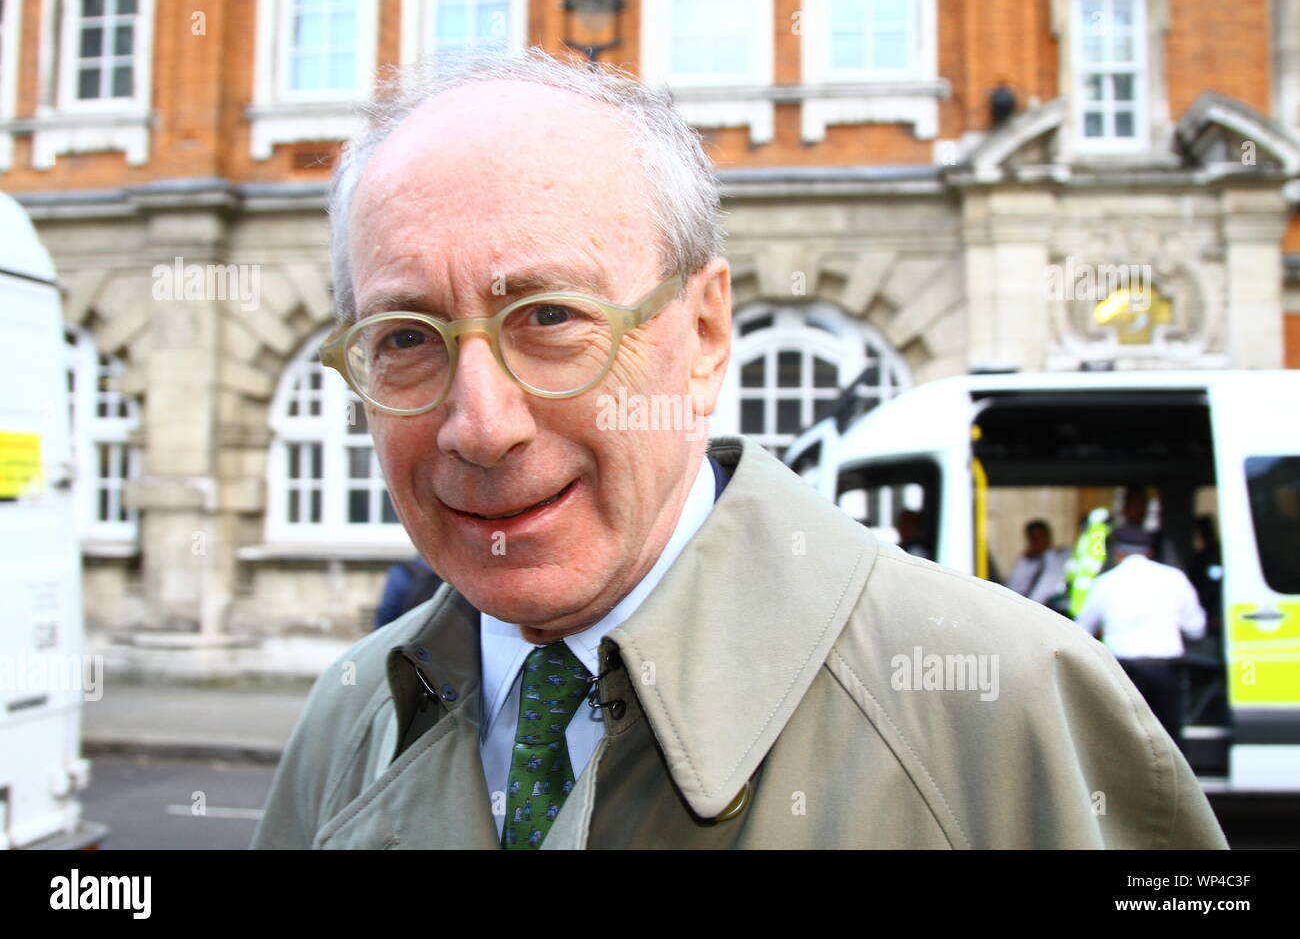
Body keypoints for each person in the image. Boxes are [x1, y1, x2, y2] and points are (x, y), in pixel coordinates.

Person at [250, 49, 1225, 849]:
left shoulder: (1010, 714)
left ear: (707, 332)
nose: (480, 423)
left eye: (550, 316)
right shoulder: (344, 721)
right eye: (407, 338)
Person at [1075, 525, 1207, 753]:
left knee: (1125, 739)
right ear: (1150, 552)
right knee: (1169, 739)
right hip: (1165, 670)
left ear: (1118, 553)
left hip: (1123, 672)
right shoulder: (1174, 579)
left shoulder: (1105, 583)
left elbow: (1082, 630)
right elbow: (1196, 628)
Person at [1006, 519, 1069, 608]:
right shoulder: (1025, 563)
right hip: (1027, 607)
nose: (1039, 542)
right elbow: (1013, 588)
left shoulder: (1061, 555)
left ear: (1048, 536)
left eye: (1042, 537)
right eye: (1035, 538)